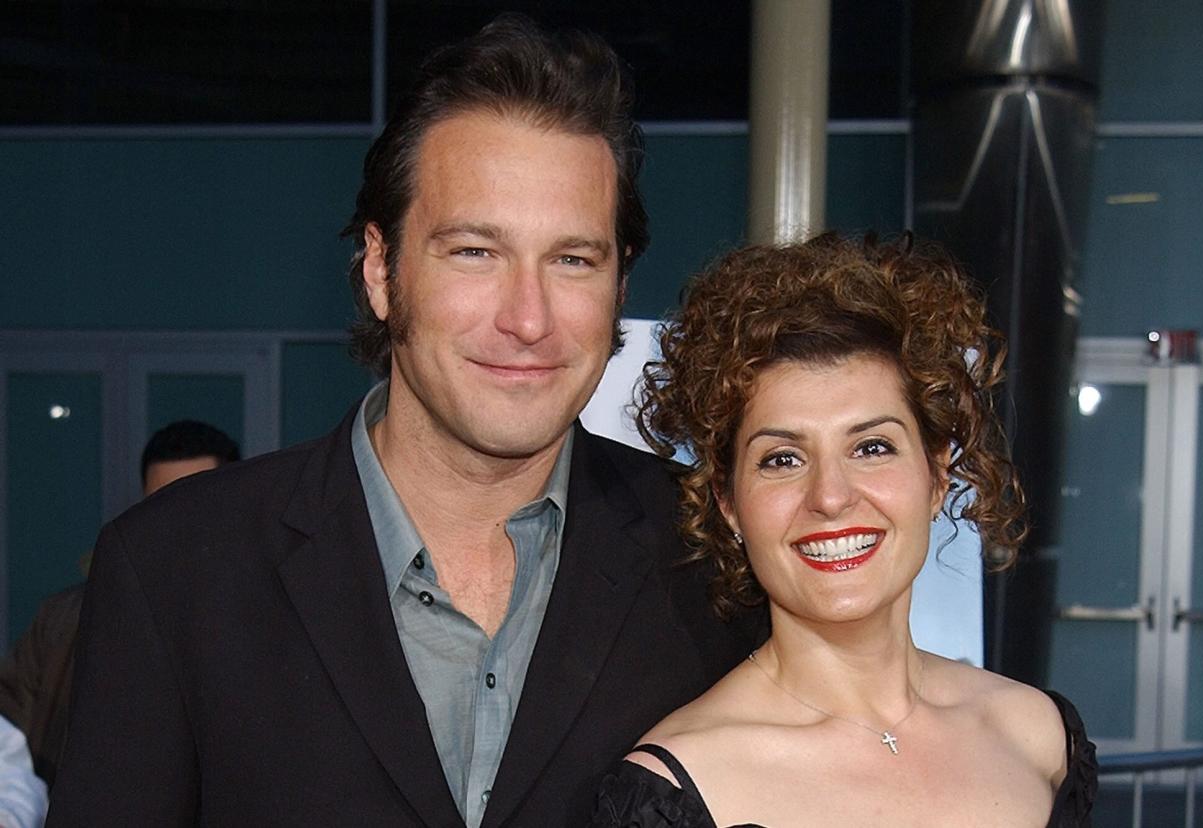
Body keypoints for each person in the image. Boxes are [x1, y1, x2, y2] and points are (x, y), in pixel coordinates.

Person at [47, 15, 758, 828]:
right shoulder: (173, 571)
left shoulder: (711, 562)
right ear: (381, 271)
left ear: (620, 286)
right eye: (474, 253)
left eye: (572, 259)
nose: (528, 319)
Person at [593, 233, 1097, 827]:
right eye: (782, 459)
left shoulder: (1038, 736)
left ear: (937, 476)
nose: (830, 497)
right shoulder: (677, 789)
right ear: (727, 502)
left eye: (872, 446)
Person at [0, 420, 240, 794]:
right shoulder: (65, 623)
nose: (177, 525)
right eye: (161, 504)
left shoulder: (265, 622)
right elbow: (9, 750)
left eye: (198, 506)